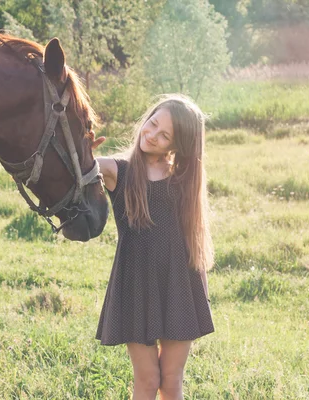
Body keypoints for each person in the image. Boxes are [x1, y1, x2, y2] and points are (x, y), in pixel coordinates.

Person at [92, 94, 214, 400]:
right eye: (153, 124)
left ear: (177, 146)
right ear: (147, 117)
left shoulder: (184, 176)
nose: (152, 135)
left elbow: (191, 238)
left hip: (180, 284)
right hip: (137, 284)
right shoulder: (117, 169)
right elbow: (75, 170)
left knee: (171, 382)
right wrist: (80, 156)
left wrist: (199, 292)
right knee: (147, 380)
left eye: (165, 136)